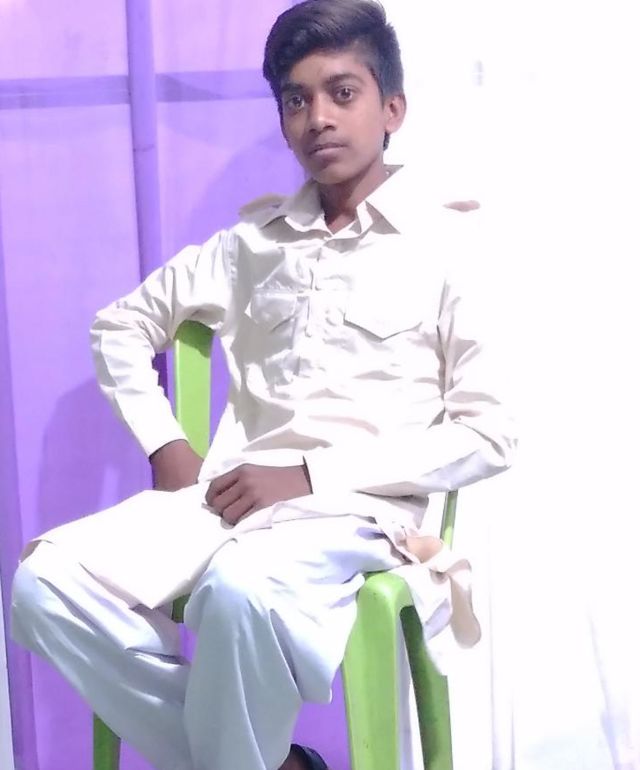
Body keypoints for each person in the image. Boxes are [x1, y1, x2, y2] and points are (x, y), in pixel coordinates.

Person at [11, 1, 516, 769]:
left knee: (236, 590)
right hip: (227, 502)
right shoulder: (251, 245)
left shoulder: (448, 244)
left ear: (392, 109)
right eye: (296, 100)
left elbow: (489, 435)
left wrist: (310, 474)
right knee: (43, 584)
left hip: (357, 512)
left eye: (342, 92)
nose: (319, 117)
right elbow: (119, 325)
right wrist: (166, 443)